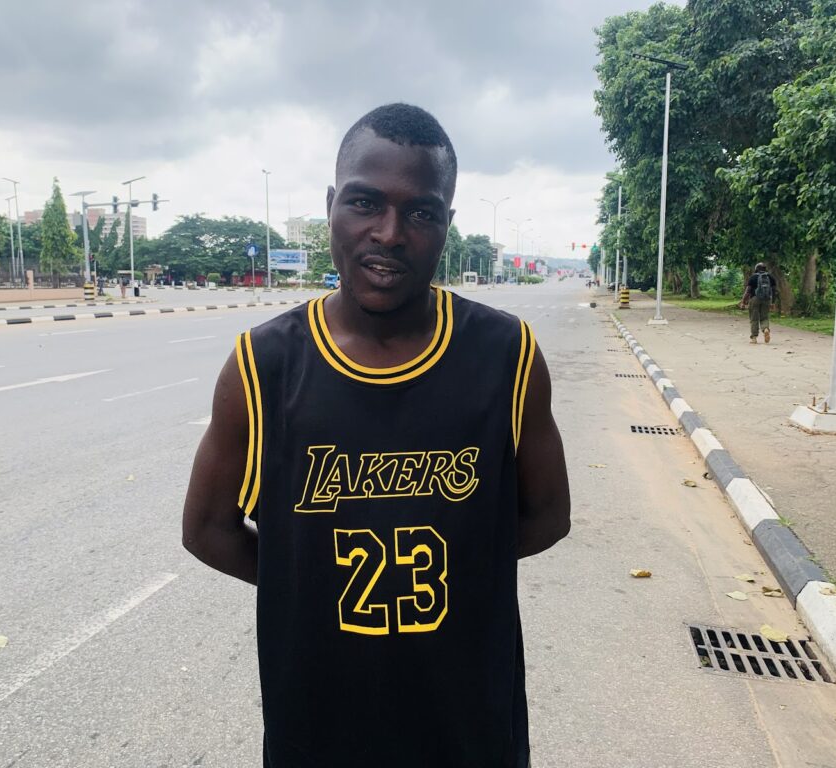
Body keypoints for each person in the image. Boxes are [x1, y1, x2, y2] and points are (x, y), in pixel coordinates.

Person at [182, 103, 571, 768]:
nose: (389, 234)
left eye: (420, 212)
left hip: (468, 726)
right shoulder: (265, 365)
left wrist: (461, 574)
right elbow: (207, 528)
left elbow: (547, 517)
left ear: (447, 224)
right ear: (333, 206)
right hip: (319, 726)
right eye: (365, 203)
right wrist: (306, 584)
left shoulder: (505, 354)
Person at [739, 262, 778, 344]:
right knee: (765, 317)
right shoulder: (770, 277)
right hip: (766, 299)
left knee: (754, 318)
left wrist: (743, 302)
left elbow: (748, 291)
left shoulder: (753, 277)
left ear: (756, 269)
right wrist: (773, 302)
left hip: (754, 299)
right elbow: (774, 291)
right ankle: (765, 329)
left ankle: (754, 338)